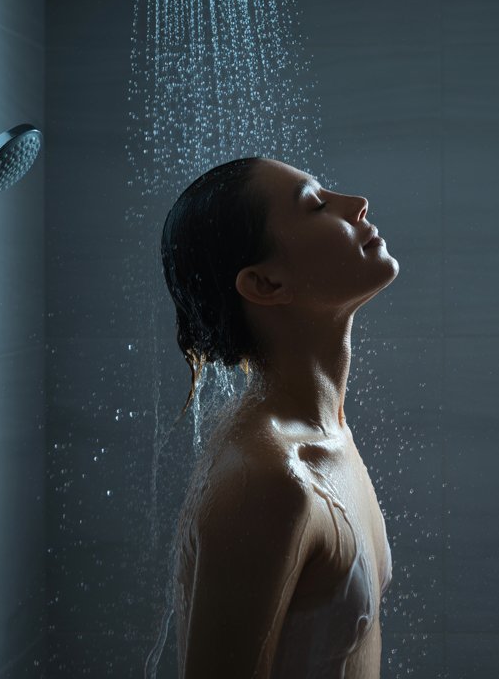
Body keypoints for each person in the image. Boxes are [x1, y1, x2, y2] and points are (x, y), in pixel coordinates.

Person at [160, 156, 400, 678]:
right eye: (316, 205)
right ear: (266, 284)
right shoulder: (270, 479)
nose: (357, 204)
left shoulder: (326, 431)